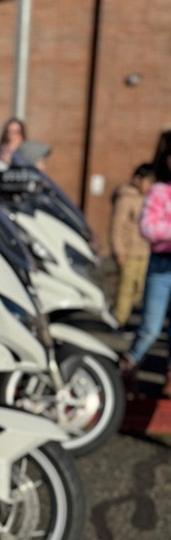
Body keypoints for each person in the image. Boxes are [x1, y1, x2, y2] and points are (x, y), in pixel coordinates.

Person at [120, 132, 171, 398]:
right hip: (162, 266)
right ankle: (127, 371)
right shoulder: (159, 191)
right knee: (150, 327)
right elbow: (148, 227)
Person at [108, 163, 154, 330]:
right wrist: (119, 250)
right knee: (125, 290)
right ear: (137, 179)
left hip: (145, 252)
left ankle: (121, 316)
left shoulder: (149, 198)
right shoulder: (126, 198)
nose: (149, 185)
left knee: (138, 290)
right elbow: (117, 226)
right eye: (147, 181)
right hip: (128, 252)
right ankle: (119, 322)